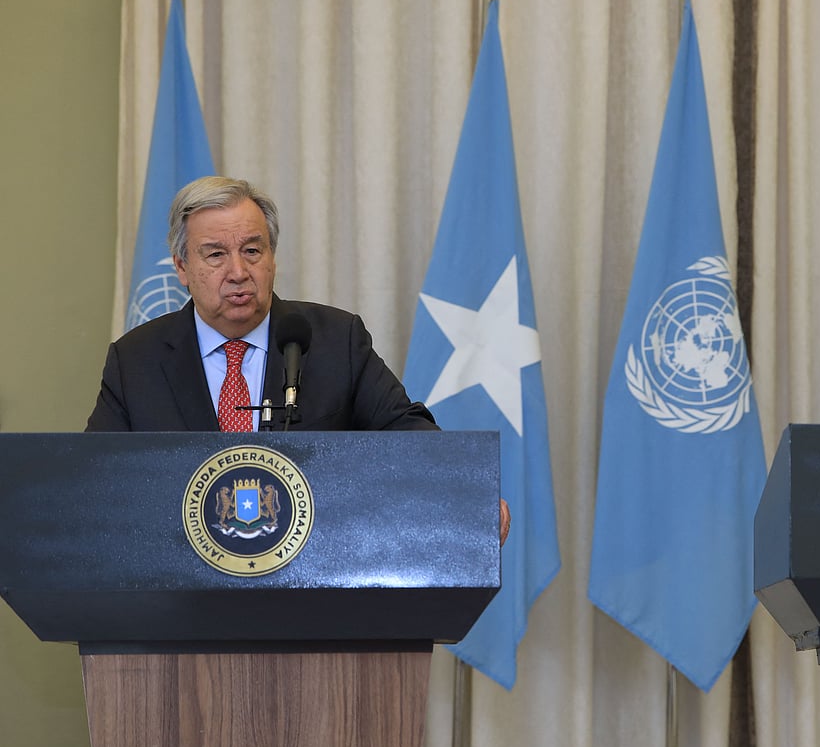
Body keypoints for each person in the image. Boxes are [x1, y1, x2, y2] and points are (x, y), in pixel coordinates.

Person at [86, 175, 509, 538]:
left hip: (314, 589)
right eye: (215, 254)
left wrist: (464, 490)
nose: (238, 271)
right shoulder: (136, 360)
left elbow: (403, 427)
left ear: (271, 257)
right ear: (181, 267)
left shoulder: (334, 340)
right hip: (180, 594)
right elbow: (94, 479)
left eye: (252, 250)